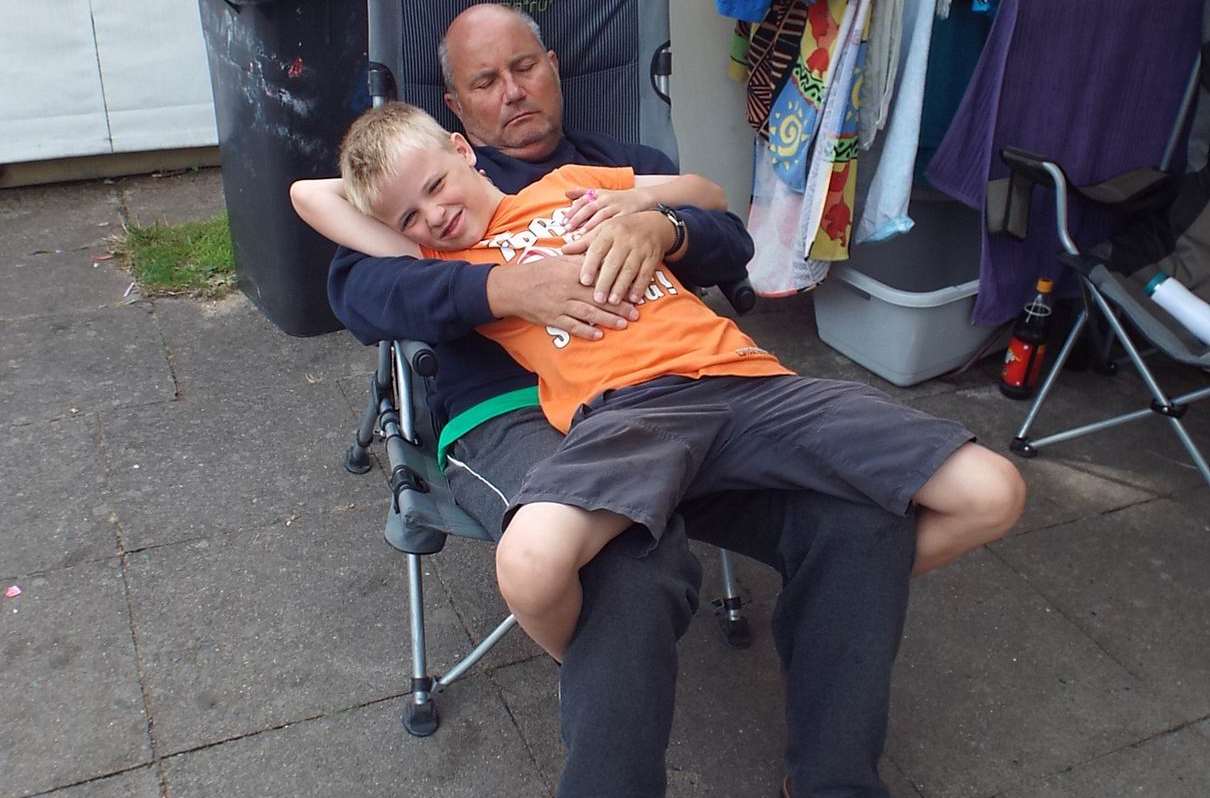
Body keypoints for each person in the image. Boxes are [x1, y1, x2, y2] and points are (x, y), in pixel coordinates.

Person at [315, 4, 1025, 798]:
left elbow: (726, 236)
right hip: (523, 415)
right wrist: (511, 282)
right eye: (483, 81)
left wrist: (662, 229)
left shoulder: (605, 166)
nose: (512, 92)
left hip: (702, 390)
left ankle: (830, 785)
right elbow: (359, 278)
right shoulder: (435, 219)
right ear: (454, 106)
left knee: (860, 523)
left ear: (554, 66)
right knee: (628, 580)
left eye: (524, 67)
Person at [295, 105, 1022, 668]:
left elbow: (708, 196)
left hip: (737, 375)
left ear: (462, 150)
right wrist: (405, 193)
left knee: (990, 490)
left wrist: (652, 219)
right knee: (538, 558)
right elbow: (311, 195)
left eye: (434, 187)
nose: (432, 214)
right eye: (409, 216)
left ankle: (824, 596)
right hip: (623, 411)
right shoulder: (446, 254)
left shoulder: (570, 186)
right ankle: (593, 669)